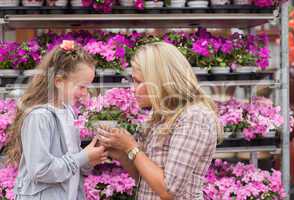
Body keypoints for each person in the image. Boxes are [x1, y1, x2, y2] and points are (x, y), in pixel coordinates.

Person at [97, 42, 223, 200]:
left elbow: (169, 190)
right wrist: (122, 154)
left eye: (138, 81)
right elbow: (146, 181)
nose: (133, 88)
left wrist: (131, 147)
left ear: (159, 80)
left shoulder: (194, 118)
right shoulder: (160, 115)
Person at [6, 40, 108, 200]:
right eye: (81, 86)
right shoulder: (39, 116)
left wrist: (90, 159)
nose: (85, 93)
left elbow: (69, 163)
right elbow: (41, 170)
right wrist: (83, 157)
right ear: (59, 81)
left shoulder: (68, 112)